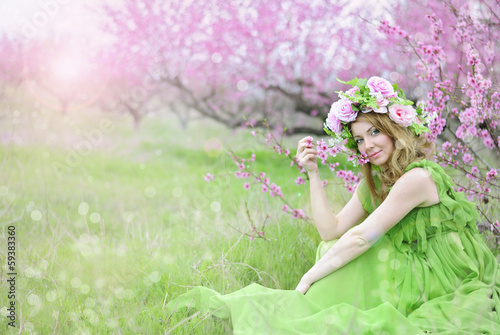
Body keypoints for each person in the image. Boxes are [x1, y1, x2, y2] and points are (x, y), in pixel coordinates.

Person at [167, 76, 500, 334]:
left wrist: (307, 278)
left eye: (374, 133)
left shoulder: (417, 179)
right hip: (415, 261)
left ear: (394, 129)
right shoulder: (380, 179)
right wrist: (312, 173)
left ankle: (304, 306)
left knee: (362, 252)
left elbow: (360, 238)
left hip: (442, 272)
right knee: (331, 246)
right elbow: (332, 229)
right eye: (359, 139)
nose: (366, 145)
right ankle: (308, 308)